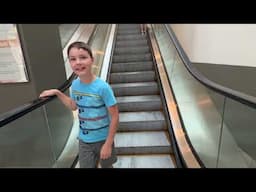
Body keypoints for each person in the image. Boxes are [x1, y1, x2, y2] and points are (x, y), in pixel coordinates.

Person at [39, 41, 119, 168]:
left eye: (83, 57)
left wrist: (108, 144)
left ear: (92, 60)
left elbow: (115, 116)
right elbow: (73, 106)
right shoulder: (75, 85)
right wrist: (58, 93)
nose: (78, 62)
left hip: (103, 139)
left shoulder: (103, 88)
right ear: (70, 63)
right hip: (84, 141)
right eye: (73, 59)